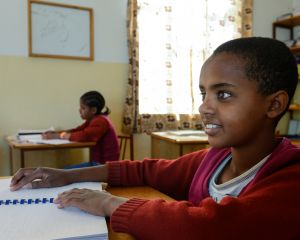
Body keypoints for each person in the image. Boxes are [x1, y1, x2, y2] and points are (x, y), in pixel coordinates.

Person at [10, 37, 300, 239]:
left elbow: (208, 229)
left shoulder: (290, 180)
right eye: (204, 93)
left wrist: (109, 204)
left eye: (223, 94)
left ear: (273, 105)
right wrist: (65, 176)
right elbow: (147, 169)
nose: (204, 107)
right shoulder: (215, 159)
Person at [43, 90, 120, 167]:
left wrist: (57, 136)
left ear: (93, 110)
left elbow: (84, 135)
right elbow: (77, 130)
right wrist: (56, 133)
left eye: (83, 108)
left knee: (64, 172)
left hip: (104, 166)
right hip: (98, 164)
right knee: (64, 171)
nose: (79, 110)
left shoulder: (100, 121)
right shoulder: (93, 119)